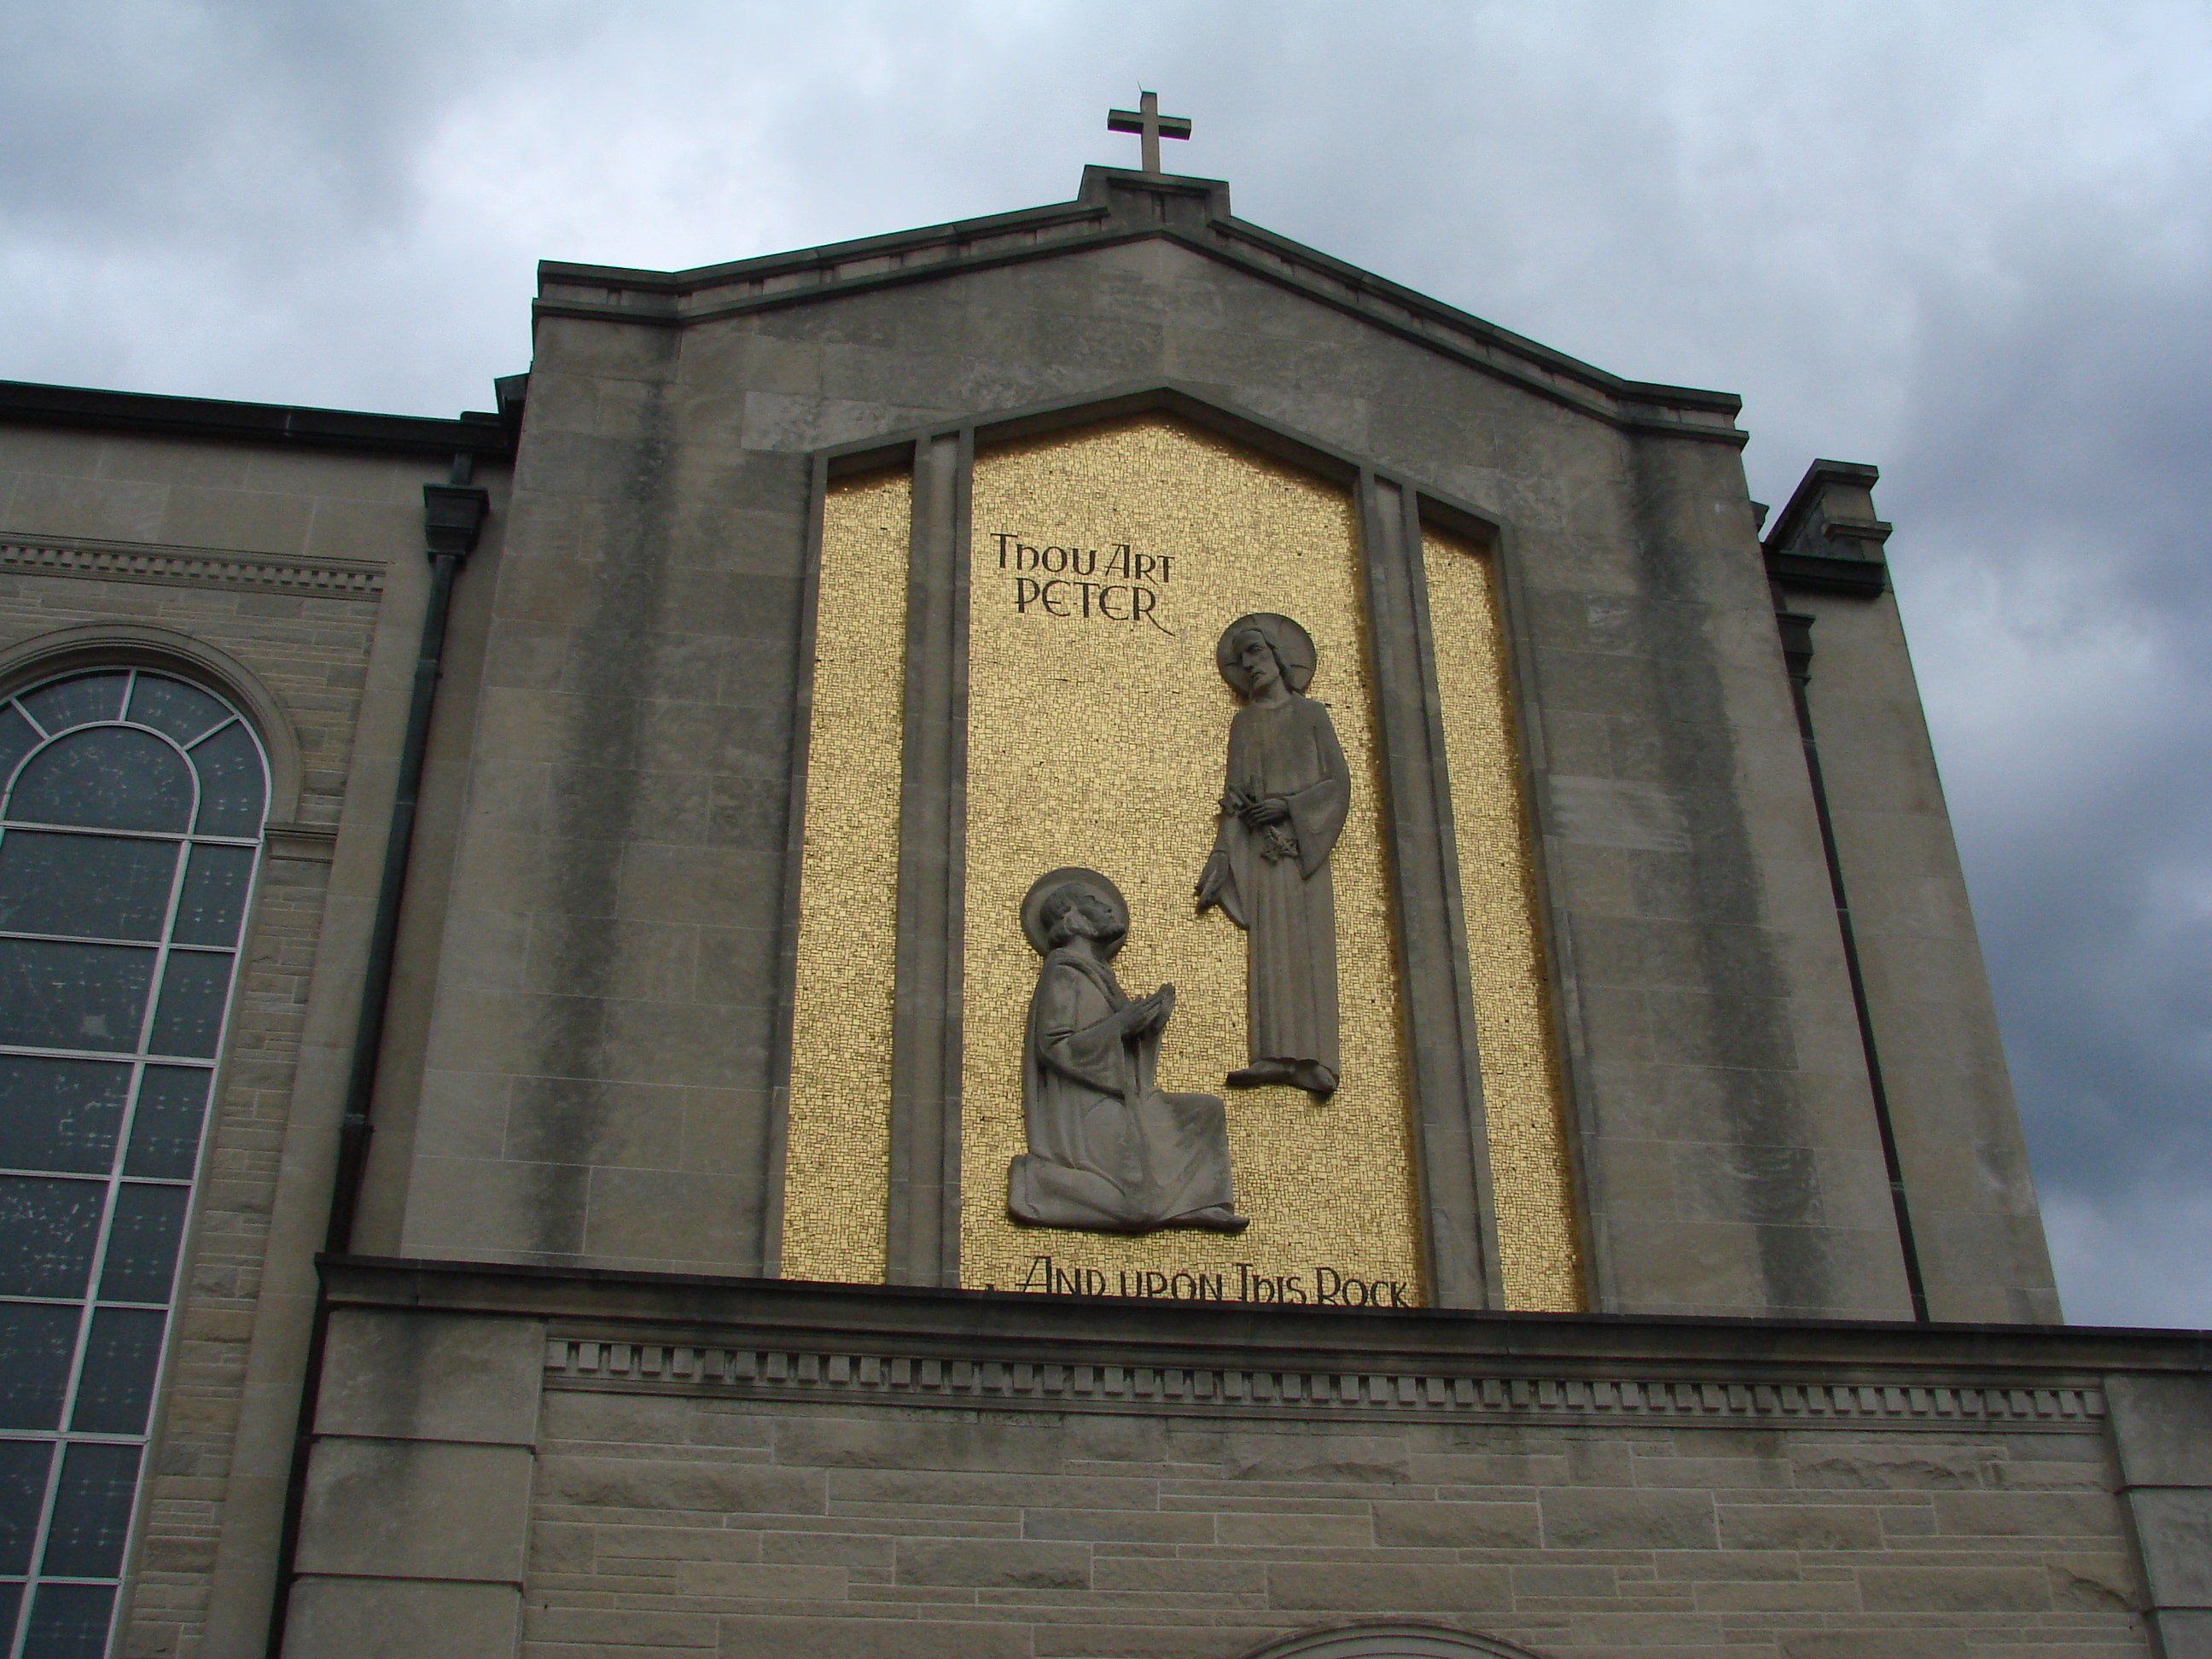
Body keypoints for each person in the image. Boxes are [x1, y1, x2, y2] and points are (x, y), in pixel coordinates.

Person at [1007, 869, 1247, 1233]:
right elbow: (1054, 1047)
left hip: (1123, 1095)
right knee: (1135, 1206)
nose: (1107, 909)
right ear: (1072, 919)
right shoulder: (1064, 973)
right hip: (1084, 1106)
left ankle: (1200, 1200)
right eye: (1093, 904)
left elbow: (1124, 1045)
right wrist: (1122, 1025)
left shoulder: (1101, 974)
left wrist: (1147, 1027)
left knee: (1205, 1111)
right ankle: (1037, 1182)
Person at [1196, 614, 1346, 1097]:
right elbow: (1233, 797)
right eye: (1242, 660)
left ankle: (1317, 1059)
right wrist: (1221, 857)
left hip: (1302, 851)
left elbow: (1338, 784)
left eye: (1256, 654)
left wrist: (1290, 806)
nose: (1250, 666)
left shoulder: (1312, 716)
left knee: (1306, 948)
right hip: (1263, 855)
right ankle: (1270, 1055)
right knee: (1269, 953)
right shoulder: (1245, 724)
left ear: (1278, 657)